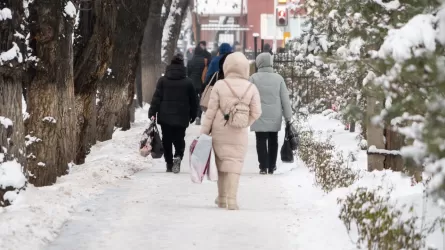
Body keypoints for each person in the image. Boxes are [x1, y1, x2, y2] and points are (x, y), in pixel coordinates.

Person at [201, 52, 262, 210]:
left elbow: (211, 111)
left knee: (221, 165)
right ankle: (232, 200)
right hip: (239, 132)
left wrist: (204, 131)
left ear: (227, 66)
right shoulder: (251, 87)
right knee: (235, 165)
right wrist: (243, 122)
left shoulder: (220, 85)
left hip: (219, 130)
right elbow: (257, 112)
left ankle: (221, 199)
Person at [149, 53, 198, 173]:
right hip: (182, 116)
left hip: (165, 116)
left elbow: (156, 98)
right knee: (179, 138)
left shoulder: (162, 81)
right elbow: (194, 100)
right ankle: (178, 156)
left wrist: (152, 112)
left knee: (167, 139)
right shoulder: (188, 82)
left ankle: (169, 163)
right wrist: (193, 114)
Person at [249, 52, 292, 175]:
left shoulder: (253, 78)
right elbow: (285, 99)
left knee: (260, 140)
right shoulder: (278, 78)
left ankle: (263, 166)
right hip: (275, 115)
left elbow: (248, 96)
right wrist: (288, 117)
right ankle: (272, 166)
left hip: (259, 114)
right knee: (273, 140)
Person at [187, 45, 209, 125]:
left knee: (193, 99)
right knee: (201, 99)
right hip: (202, 83)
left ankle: (191, 114)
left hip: (192, 82)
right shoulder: (205, 61)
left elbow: (188, 73)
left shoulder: (190, 61)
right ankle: (198, 116)